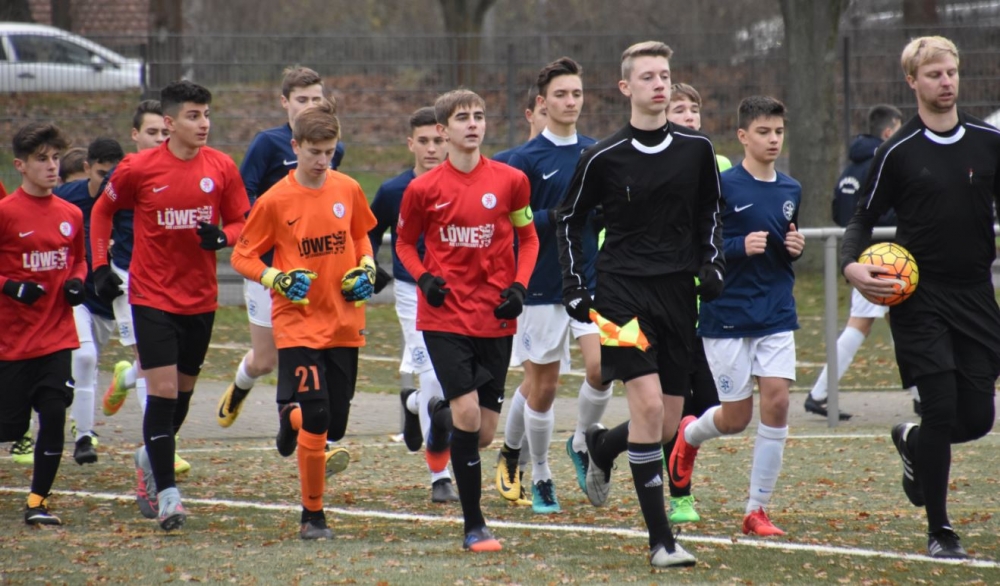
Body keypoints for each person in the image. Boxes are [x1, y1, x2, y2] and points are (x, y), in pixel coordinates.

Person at [556, 41, 723, 568]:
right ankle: (661, 542)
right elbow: (568, 220)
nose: (659, 85)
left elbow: (710, 213)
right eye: (648, 76)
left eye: (665, 76)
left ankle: (601, 447)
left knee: (669, 424)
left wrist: (712, 262)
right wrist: (574, 285)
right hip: (621, 294)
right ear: (625, 87)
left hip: (677, 295)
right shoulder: (602, 157)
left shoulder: (697, 150)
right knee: (648, 408)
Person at [841, 36, 1000, 560]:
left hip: (976, 294)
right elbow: (862, 216)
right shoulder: (897, 151)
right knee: (940, 406)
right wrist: (851, 265)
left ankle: (912, 444)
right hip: (919, 298)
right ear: (912, 81)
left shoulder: (988, 140)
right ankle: (941, 530)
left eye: (951, 72)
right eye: (934, 74)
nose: (946, 81)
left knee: (976, 419)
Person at [90, 80, 250, 531]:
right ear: (170, 121)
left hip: (200, 299)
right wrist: (99, 267)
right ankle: (169, 496)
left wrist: (223, 237)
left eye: (206, 115)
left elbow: (242, 222)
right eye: (193, 116)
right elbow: (101, 212)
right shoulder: (137, 168)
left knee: (180, 397)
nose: (204, 124)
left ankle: (148, 457)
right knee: (161, 392)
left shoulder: (221, 167)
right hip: (151, 295)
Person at [396, 89, 539, 552]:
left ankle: (434, 419)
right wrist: (424, 279)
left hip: (494, 317)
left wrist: (519, 287)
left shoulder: (512, 181)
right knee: (469, 413)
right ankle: (474, 526)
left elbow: (529, 239)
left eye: (479, 116)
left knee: (482, 434)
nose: (473, 123)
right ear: (443, 130)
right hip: (445, 316)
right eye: (462, 118)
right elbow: (404, 244)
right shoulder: (423, 189)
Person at [232, 100, 376, 540]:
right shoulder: (275, 200)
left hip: (344, 321)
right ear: (295, 146)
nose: (322, 160)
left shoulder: (348, 188)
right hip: (297, 323)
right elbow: (242, 255)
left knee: (335, 423)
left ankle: (290, 417)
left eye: (329, 152)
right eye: (314, 152)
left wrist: (367, 269)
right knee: (319, 414)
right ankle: (312, 516)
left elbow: (361, 236)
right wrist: (275, 277)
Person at [670, 95, 804, 539]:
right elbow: (696, 248)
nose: (773, 139)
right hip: (726, 312)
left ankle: (756, 509)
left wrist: (794, 248)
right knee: (735, 418)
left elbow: (785, 242)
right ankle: (689, 436)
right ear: (743, 136)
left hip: (775, 311)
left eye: (778, 132)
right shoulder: (721, 186)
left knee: (778, 402)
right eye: (763, 132)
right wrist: (736, 247)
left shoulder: (791, 189)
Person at [493, 57, 610, 516]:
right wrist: (556, 217)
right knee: (542, 387)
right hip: (542, 286)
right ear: (542, 103)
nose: (570, 101)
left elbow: (606, 214)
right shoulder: (523, 161)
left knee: (604, 368)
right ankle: (539, 473)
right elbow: (509, 224)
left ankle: (580, 441)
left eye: (576, 93)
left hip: (590, 283)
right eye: (561, 94)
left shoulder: (597, 152)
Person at [217, 65, 346, 429]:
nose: (309, 106)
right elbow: (243, 195)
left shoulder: (333, 149)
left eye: (316, 99)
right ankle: (241, 386)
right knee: (265, 360)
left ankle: (294, 421)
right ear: (284, 102)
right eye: (301, 99)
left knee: (305, 346)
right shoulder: (267, 143)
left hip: (309, 267)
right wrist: (270, 229)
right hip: (268, 266)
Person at [369, 106, 459, 503]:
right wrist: (370, 265)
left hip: (457, 292)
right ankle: (440, 475)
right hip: (411, 292)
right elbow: (369, 231)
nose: (432, 148)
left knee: (455, 382)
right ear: (410, 144)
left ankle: (411, 403)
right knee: (433, 377)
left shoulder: (462, 183)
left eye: (438, 140)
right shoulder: (394, 191)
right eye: (423, 141)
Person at [0, 122, 86, 525]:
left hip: (56, 337)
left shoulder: (71, 214)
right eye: (41, 159)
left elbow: (79, 260)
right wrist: (10, 287)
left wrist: (77, 282)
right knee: (9, 427)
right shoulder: (6, 213)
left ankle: (37, 502)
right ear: (20, 165)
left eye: (55, 158)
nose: (52, 166)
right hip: (12, 342)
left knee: (53, 414)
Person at [657, 81, 730, 525]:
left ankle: (607, 444)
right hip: (661, 302)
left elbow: (726, 228)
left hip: (707, 310)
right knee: (674, 406)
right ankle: (680, 496)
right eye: (678, 109)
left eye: (694, 108)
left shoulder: (719, 165)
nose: (688, 116)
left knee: (705, 404)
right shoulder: (651, 163)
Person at [806, 104, 906, 421]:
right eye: (899, 130)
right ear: (888, 132)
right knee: (861, 324)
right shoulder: (881, 161)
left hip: (869, 254)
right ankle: (819, 394)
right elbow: (880, 211)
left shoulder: (852, 166)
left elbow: (840, 210)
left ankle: (922, 393)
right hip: (881, 257)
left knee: (903, 323)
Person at [53, 137, 125, 465]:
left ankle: (116, 385)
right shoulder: (67, 198)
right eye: (101, 174)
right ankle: (84, 437)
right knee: (84, 358)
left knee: (90, 366)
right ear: (87, 168)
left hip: (111, 302)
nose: (108, 183)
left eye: (114, 175)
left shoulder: (131, 200)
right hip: (77, 297)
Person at [102, 100, 170, 426]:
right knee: (149, 357)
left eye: (165, 132)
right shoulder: (122, 175)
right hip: (128, 275)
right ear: (135, 134)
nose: (160, 139)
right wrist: (100, 265)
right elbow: (99, 217)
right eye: (152, 132)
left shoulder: (179, 171)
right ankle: (155, 443)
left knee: (169, 361)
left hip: (169, 277)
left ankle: (125, 378)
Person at [493, 86, 547, 164]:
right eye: (544, 113)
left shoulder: (566, 158)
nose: (552, 119)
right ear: (529, 115)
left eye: (555, 114)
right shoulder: (503, 161)